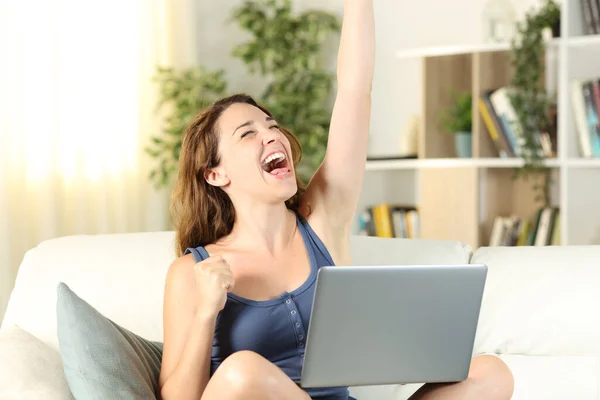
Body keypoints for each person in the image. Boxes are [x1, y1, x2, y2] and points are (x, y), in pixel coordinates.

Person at [158, 0, 515, 399]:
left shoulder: (323, 221)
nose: (271, 135)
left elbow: (354, 91)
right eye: (248, 133)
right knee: (241, 374)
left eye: (271, 125)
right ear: (215, 174)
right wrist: (207, 311)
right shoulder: (193, 272)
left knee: (491, 372)